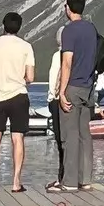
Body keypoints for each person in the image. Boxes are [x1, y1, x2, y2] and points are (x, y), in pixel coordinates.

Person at [0, 10, 38, 193]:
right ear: (19, 27)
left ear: (3, 26)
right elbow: (30, 77)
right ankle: (16, 183)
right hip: (19, 96)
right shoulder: (26, 47)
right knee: (17, 138)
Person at [57, 0, 100, 190]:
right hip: (88, 87)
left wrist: (61, 91)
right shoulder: (91, 28)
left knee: (69, 135)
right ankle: (86, 180)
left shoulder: (69, 31)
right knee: (85, 134)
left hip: (73, 85)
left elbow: (67, 62)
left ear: (68, 8)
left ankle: (70, 182)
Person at [43, 29, 67, 194]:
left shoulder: (58, 55)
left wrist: (51, 97)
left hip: (58, 99)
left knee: (61, 142)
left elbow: (53, 78)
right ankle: (71, 177)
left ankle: (62, 178)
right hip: (72, 99)